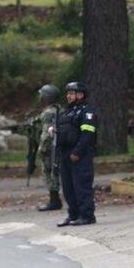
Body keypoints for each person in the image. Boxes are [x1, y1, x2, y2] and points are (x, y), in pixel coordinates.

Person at [54, 82, 98, 227]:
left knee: (81, 186)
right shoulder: (66, 112)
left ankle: (87, 215)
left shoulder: (87, 111)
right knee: (68, 187)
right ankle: (73, 215)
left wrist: (77, 152)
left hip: (80, 155)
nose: (68, 96)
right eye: (68, 93)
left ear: (80, 95)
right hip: (65, 154)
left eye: (71, 93)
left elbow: (87, 134)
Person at [26, 84, 62, 211]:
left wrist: (42, 148)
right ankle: (55, 199)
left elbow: (46, 133)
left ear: (46, 97)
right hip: (57, 147)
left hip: (50, 148)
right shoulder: (58, 109)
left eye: (41, 95)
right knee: (54, 172)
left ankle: (54, 201)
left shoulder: (48, 113)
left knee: (48, 173)